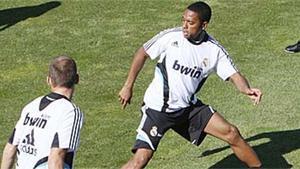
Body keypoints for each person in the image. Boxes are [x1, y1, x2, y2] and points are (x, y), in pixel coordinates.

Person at [118, 1, 262, 168]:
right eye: (183, 20)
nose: (184, 26)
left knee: (232, 133)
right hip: (157, 110)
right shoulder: (171, 37)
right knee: (140, 161)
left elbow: (234, 76)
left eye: (190, 22)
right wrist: (128, 86)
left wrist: (247, 89)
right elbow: (142, 53)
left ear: (204, 25)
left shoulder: (214, 50)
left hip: (187, 109)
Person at [1, 56, 83, 169]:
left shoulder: (31, 106)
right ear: (77, 79)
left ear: (49, 80)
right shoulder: (70, 111)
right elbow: (56, 156)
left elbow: (10, 148)